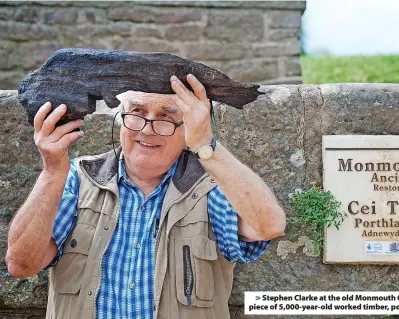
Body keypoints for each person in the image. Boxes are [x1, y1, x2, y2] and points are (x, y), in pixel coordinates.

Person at [5, 74, 286, 319]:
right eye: (137, 112)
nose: (147, 128)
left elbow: (268, 226)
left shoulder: (209, 186)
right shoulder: (77, 179)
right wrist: (53, 172)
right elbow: (22, 264)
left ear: (188, 127)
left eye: (166, 117)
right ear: (121, 119)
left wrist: (206, 145)